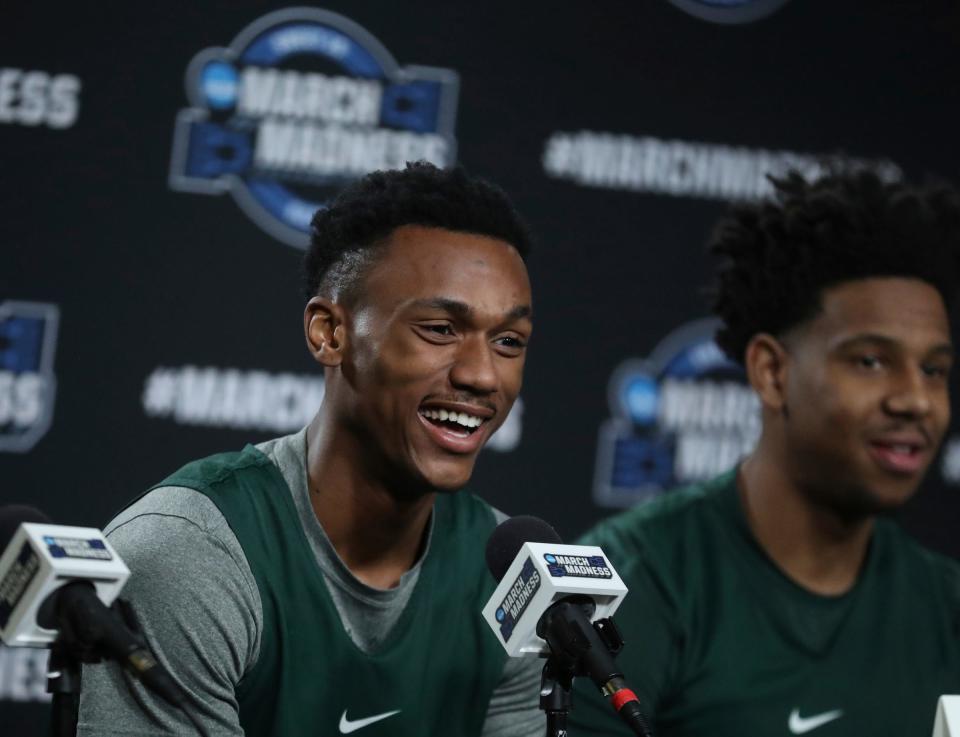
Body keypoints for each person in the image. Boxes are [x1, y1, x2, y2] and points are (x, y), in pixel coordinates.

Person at [78, 162, 543, 736]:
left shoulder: (514, 582)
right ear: (330, 333)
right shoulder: (189, 554)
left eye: (508, 341)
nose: (482, 375)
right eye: (440, 329)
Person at [570, 170, 960, 736]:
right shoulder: (634, 586)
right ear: (772, 372)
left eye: (935, 370)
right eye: (871, 361)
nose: (915, 400)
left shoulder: (946, 606)